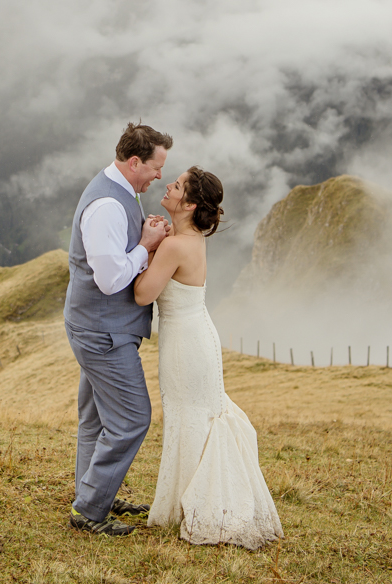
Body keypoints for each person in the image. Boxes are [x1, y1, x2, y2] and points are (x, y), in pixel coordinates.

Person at [133, 166, 283, 550]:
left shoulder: (173, 245)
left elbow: (142, 294)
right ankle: (198, 501)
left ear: (190, 203)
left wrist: (146, 247)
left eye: (177, 185)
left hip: (185, 342)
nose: (169, 185)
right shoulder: (192, 237)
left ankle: (200, 507)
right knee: (201, 412)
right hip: (199, 333)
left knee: (188, 415)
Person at [64, 122, 174, 536]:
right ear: (134, 162)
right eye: (155, 167)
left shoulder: (119, 191)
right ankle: (90, 510)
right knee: (132, 418)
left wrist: (143, 238)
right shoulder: (108, 206)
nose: (159, 175)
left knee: (94, 420)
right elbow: (110, 280)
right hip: (103, 333)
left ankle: (93, 495)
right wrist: (145, 247)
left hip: (95, 325)